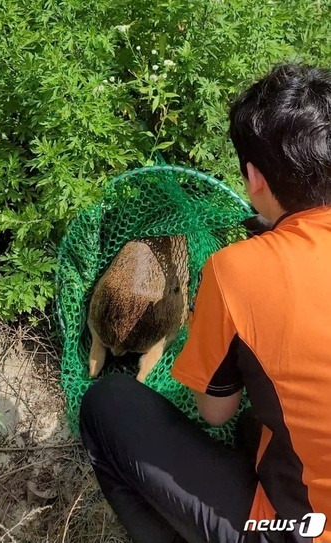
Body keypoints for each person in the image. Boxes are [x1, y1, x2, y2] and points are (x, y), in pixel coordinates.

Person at [79, 64, 331, 543]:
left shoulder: (238, 270)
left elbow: (215, 411)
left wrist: (212, 320)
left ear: (254, 177)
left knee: (106, 403)